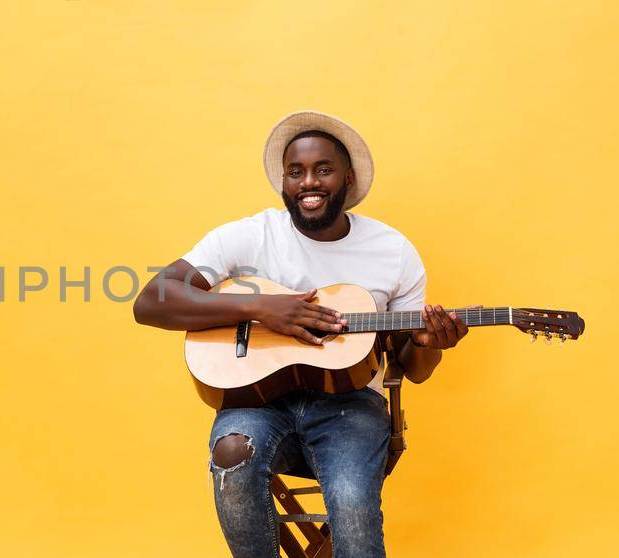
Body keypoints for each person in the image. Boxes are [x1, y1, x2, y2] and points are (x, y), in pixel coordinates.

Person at [131, 111, 472, 558]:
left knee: (352, 503)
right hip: (258, 401)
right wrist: (259, 307)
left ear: (348, 179)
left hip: (351, 407)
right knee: (233, 454)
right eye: (296, 172)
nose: (308, 182)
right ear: (284, 181)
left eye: (323, 170)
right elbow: (151, 301)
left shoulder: (392, 251)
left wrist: (428, 344)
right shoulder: (250, 236)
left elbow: (414, 369)